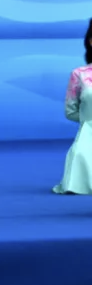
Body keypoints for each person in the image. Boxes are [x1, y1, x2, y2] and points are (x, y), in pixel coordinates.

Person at [52, 20, 92, 195]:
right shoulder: (79, 74)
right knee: (80, 157)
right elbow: (70, 111)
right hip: (88, 133)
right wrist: (87, 122)